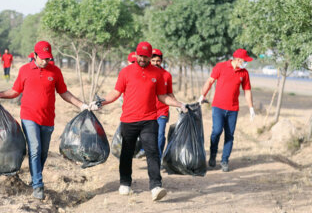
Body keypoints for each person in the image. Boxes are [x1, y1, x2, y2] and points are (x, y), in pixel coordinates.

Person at [0, 41, 89, 200]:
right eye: (42, 58)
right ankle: (38, 185)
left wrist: (81, 105)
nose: (45, 61)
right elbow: (15, 91)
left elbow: (64, 92)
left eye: (48, 58)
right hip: (29, 117)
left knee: (43, 152)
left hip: (48, 119)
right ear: (35, 55)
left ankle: (34, 176)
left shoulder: (55, 71)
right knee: (35, 148)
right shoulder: (25, 70)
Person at [89, 42, 187, 201]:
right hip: (129, 120)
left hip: (149, 120)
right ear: (136, 54)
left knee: (152, 152)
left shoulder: (157, 74)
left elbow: (162, 96)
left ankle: (156, 186)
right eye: (140, 56)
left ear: (150, 56)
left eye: (146, 56)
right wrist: (101, 102)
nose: (143, 59)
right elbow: (115, 92)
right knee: (127, 152)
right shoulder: (126, 72)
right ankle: (125, 182)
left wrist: (179, 104)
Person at [198, 48, 255, 172]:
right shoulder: (221, 67)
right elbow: (210, 81)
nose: (246, 63)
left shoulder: (244, 73)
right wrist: (203, 96)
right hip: (218, 107)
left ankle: (224, 161)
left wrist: (251, 108)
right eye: (245, 61)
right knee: (217, 131)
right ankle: (213, 155)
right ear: (238, 59)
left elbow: (247, 91)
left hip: (233, 109)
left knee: (229, 135)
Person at [150, 49, 175, 159]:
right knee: (149, 136)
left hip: (162, 111)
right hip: (147, 111)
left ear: (161, 61)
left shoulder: (167, 75)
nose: (156, 63)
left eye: (158, 61)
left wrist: (178, 104)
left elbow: (169, 92)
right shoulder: (145, 74)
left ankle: (158, 159)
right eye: (153, 60)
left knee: (160, 135)